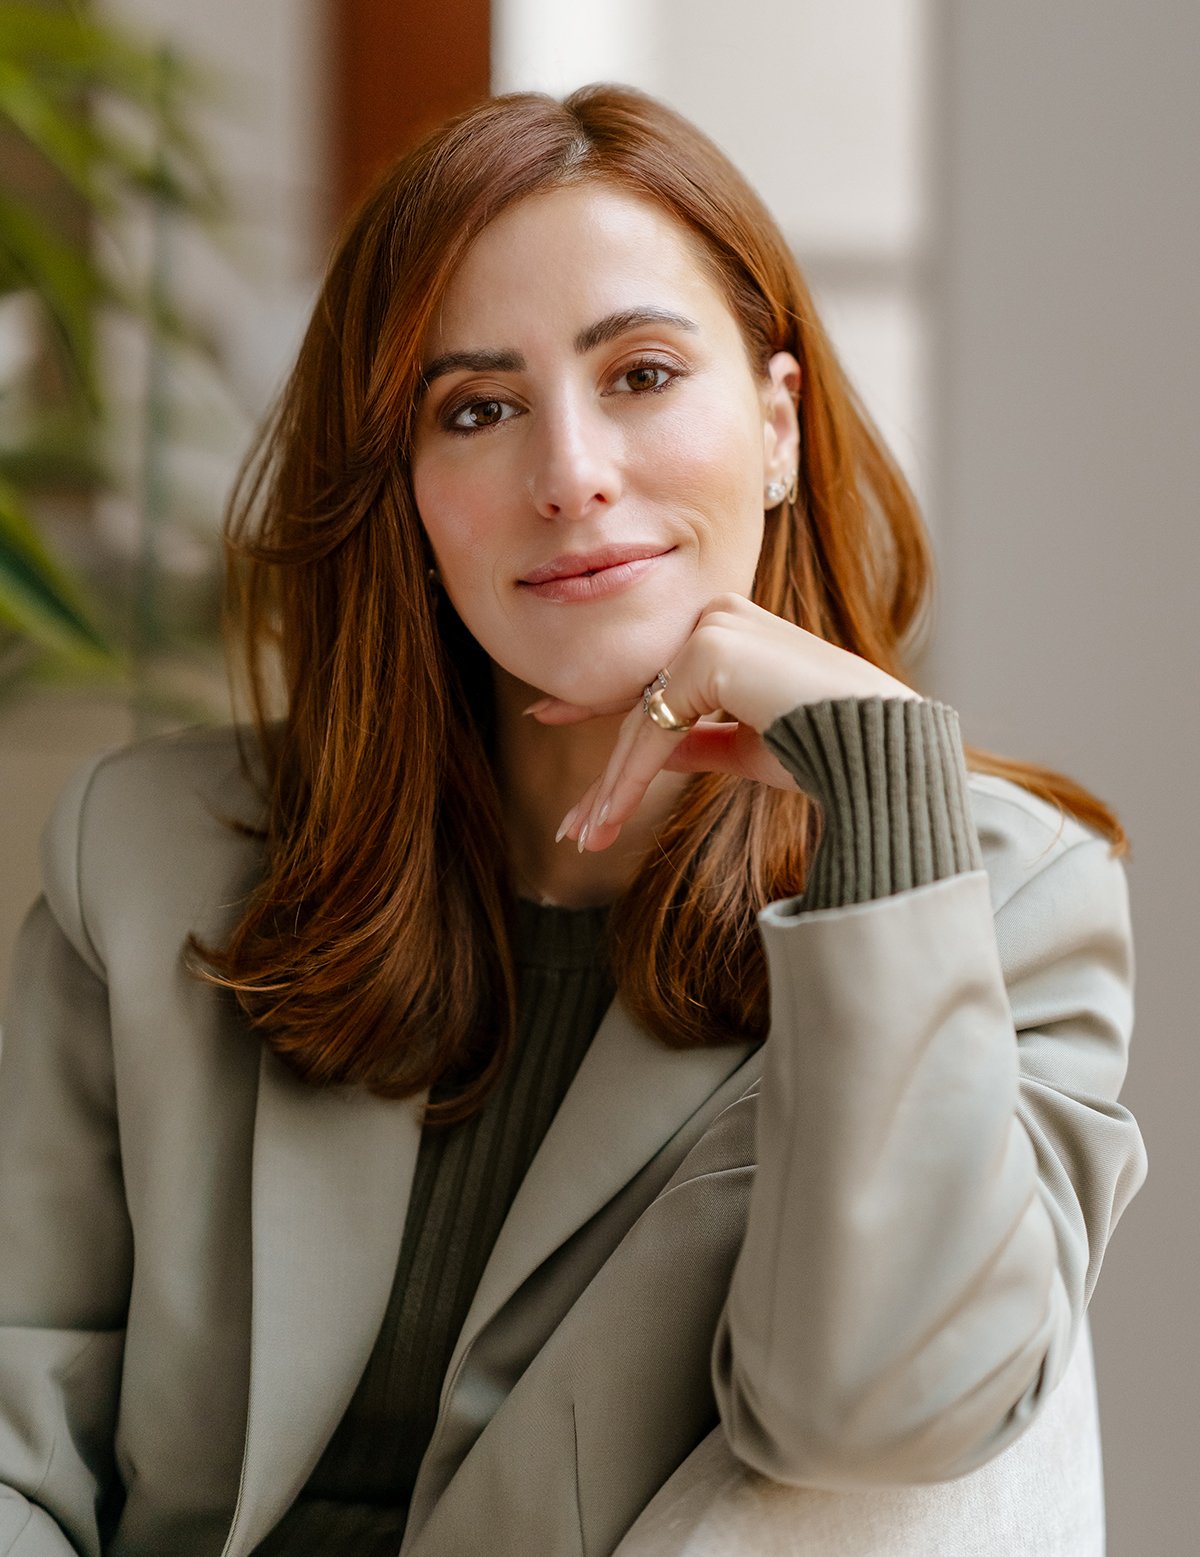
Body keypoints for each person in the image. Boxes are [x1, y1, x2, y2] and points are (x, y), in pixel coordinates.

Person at [0, 83, 1146, 1557]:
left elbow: (886, 1430)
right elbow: (20, 1414)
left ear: (781, 424)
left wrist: (879, 790)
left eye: (645, 374)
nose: (572, 475)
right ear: (404, 491)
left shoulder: (1002, 899)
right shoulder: (145, 851)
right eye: (476, 409)